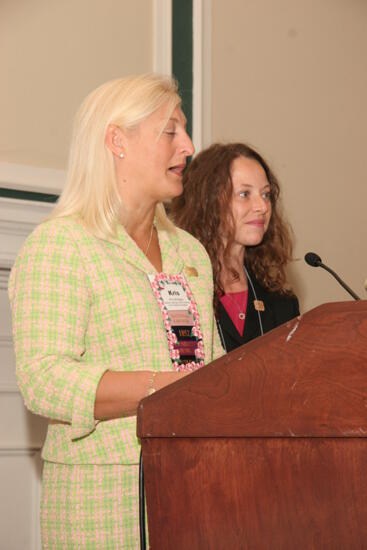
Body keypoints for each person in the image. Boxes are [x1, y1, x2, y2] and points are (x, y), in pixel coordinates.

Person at [8, 74, 223, 548]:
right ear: (116, 141)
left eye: (185, 131)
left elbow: (213, 366)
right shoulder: (62, 244)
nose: (188, 146)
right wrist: (165, 389)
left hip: (193, 486)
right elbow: (45, 380)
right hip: (102, 504)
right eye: (171, 130)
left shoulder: (189, 252)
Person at [170, 142, 299, 353]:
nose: (262, 207)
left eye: (266, 194)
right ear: (208, 202)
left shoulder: (282, 303)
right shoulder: (178, 292)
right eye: (244, 194)